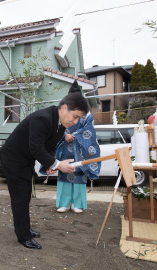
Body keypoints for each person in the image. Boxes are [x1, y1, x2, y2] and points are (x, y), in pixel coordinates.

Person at [0, 91, 89, 249]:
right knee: (20, 196)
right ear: (64, 108)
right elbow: (36, 148)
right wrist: (58, 165)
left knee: (26, 194)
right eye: (75, 116)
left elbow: (49, 146)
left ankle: (24, 228)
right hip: (12, 159)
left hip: (25, 159)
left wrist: (49, 164)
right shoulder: (43, 118)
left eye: (79, 119)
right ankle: (23, 236)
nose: (75, 122)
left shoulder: (60, 124)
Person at [55, 82, 101, 214]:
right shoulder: (63, 110)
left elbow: (89, 130)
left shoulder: (86, 114)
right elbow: (57, 126)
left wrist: (74, 135)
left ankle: (77, 204)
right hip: (65, 148)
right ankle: (64, 203)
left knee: (79, 175)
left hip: (80, 148)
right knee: (64, 173)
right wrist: (64, 136)